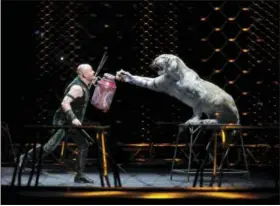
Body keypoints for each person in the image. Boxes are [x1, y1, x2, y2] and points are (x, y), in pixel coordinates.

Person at [19, 64, 97, 183]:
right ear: (84, 75)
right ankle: (26, 157)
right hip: (63, 120)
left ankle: (79, 175)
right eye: (91, 71)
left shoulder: (84, 82)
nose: (94, 72)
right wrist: (73, 118)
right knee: (49, 147)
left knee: (83, 144)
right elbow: (65, 103)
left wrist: (92, 81)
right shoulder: (77, 87)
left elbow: (84, 91)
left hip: (72, 122)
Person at [116, 54, 240, 125]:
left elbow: (201, 95)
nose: (159, 71)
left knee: (222, 100)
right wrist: (131, 78)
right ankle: (213, 122)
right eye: (158, 68)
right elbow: (149, 82)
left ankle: (213, 121)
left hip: (222, 106)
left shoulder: (189, 77)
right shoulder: (166, 80)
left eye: (161, 67)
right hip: (211, 113)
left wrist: (196, 116)